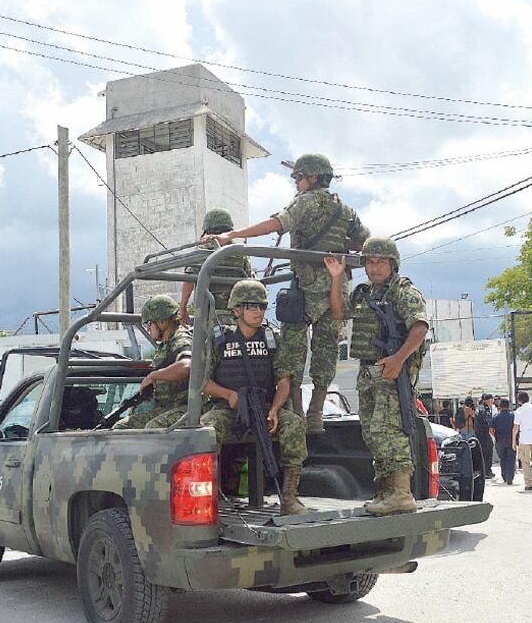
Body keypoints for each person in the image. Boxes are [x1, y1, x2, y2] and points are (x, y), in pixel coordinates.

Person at [208, 154, 369, 433]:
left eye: (299, 177)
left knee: (293, 350)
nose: (295, 182)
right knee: (326, 350)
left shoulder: (307, 201)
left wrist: (232, 235)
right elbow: (362, 240)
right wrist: (337, 244)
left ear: (314, 177)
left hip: (307, 288)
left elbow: (276, 224)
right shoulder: (345, 209)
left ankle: (295, 412)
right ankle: (316, 415)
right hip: (336, 288)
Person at [155, 280, 308, 515]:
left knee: (295, 425)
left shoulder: (272, 339)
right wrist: (228, 394)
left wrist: (275, 410)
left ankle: (289, 496)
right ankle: (208, 497)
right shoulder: (218, 340)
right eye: (251, 306)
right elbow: (202, 382)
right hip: (227, 408)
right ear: (236, 310)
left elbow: (284, 381)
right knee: (206, 430)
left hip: (264, 407)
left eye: (262, 307)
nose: (258, 312)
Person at [325, 237, 428, 516]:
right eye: (369, 262)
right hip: (369, 371)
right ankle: (385, 491)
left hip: (392, 371)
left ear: (392, 264)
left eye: (380, 261)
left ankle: (401, 493)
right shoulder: (363, 293)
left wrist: (398, 359)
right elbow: (338, 313)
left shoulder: (403, 291)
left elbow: (420, 327)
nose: (374, 267)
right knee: (371, 432)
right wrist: (337, 278)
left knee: (388, 431)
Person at [112, 295, 193, 430]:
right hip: (168, 407)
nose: (148, 329)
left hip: (186, 407)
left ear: (162, 322)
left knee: (153, 428)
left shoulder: (181, 339)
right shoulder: (165, 345)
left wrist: (153, 376)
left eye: (150, 323)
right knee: (123, 426)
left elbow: (187, 366)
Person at [179, 208, 252, 327]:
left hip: (208, 318)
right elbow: (249, 282)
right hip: (237, 317)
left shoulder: (201, 251)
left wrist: (182, 308)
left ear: (207, 229)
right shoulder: (239, 253)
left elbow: (189, 280)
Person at [490, 398, 516, 484]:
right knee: (511, 459)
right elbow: (516, 428)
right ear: (508, 406)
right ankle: (510, 478)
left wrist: (495, 437)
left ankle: (504, 476)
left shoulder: (495, 417)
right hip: (511, 439)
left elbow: (491, 430)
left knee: (503, 459)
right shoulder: (513, 416)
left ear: (500, 407)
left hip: (499, 440)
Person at [475, 394, 496, 479]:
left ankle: (486, 470)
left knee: (487, 451)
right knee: (486, 452)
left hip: (481, 432)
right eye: (491, 400)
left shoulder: (480, 407)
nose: (492, 402)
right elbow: (487, 420)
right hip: (483, 433)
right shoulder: (484, 409)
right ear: (486, 400)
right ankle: (486, 471)